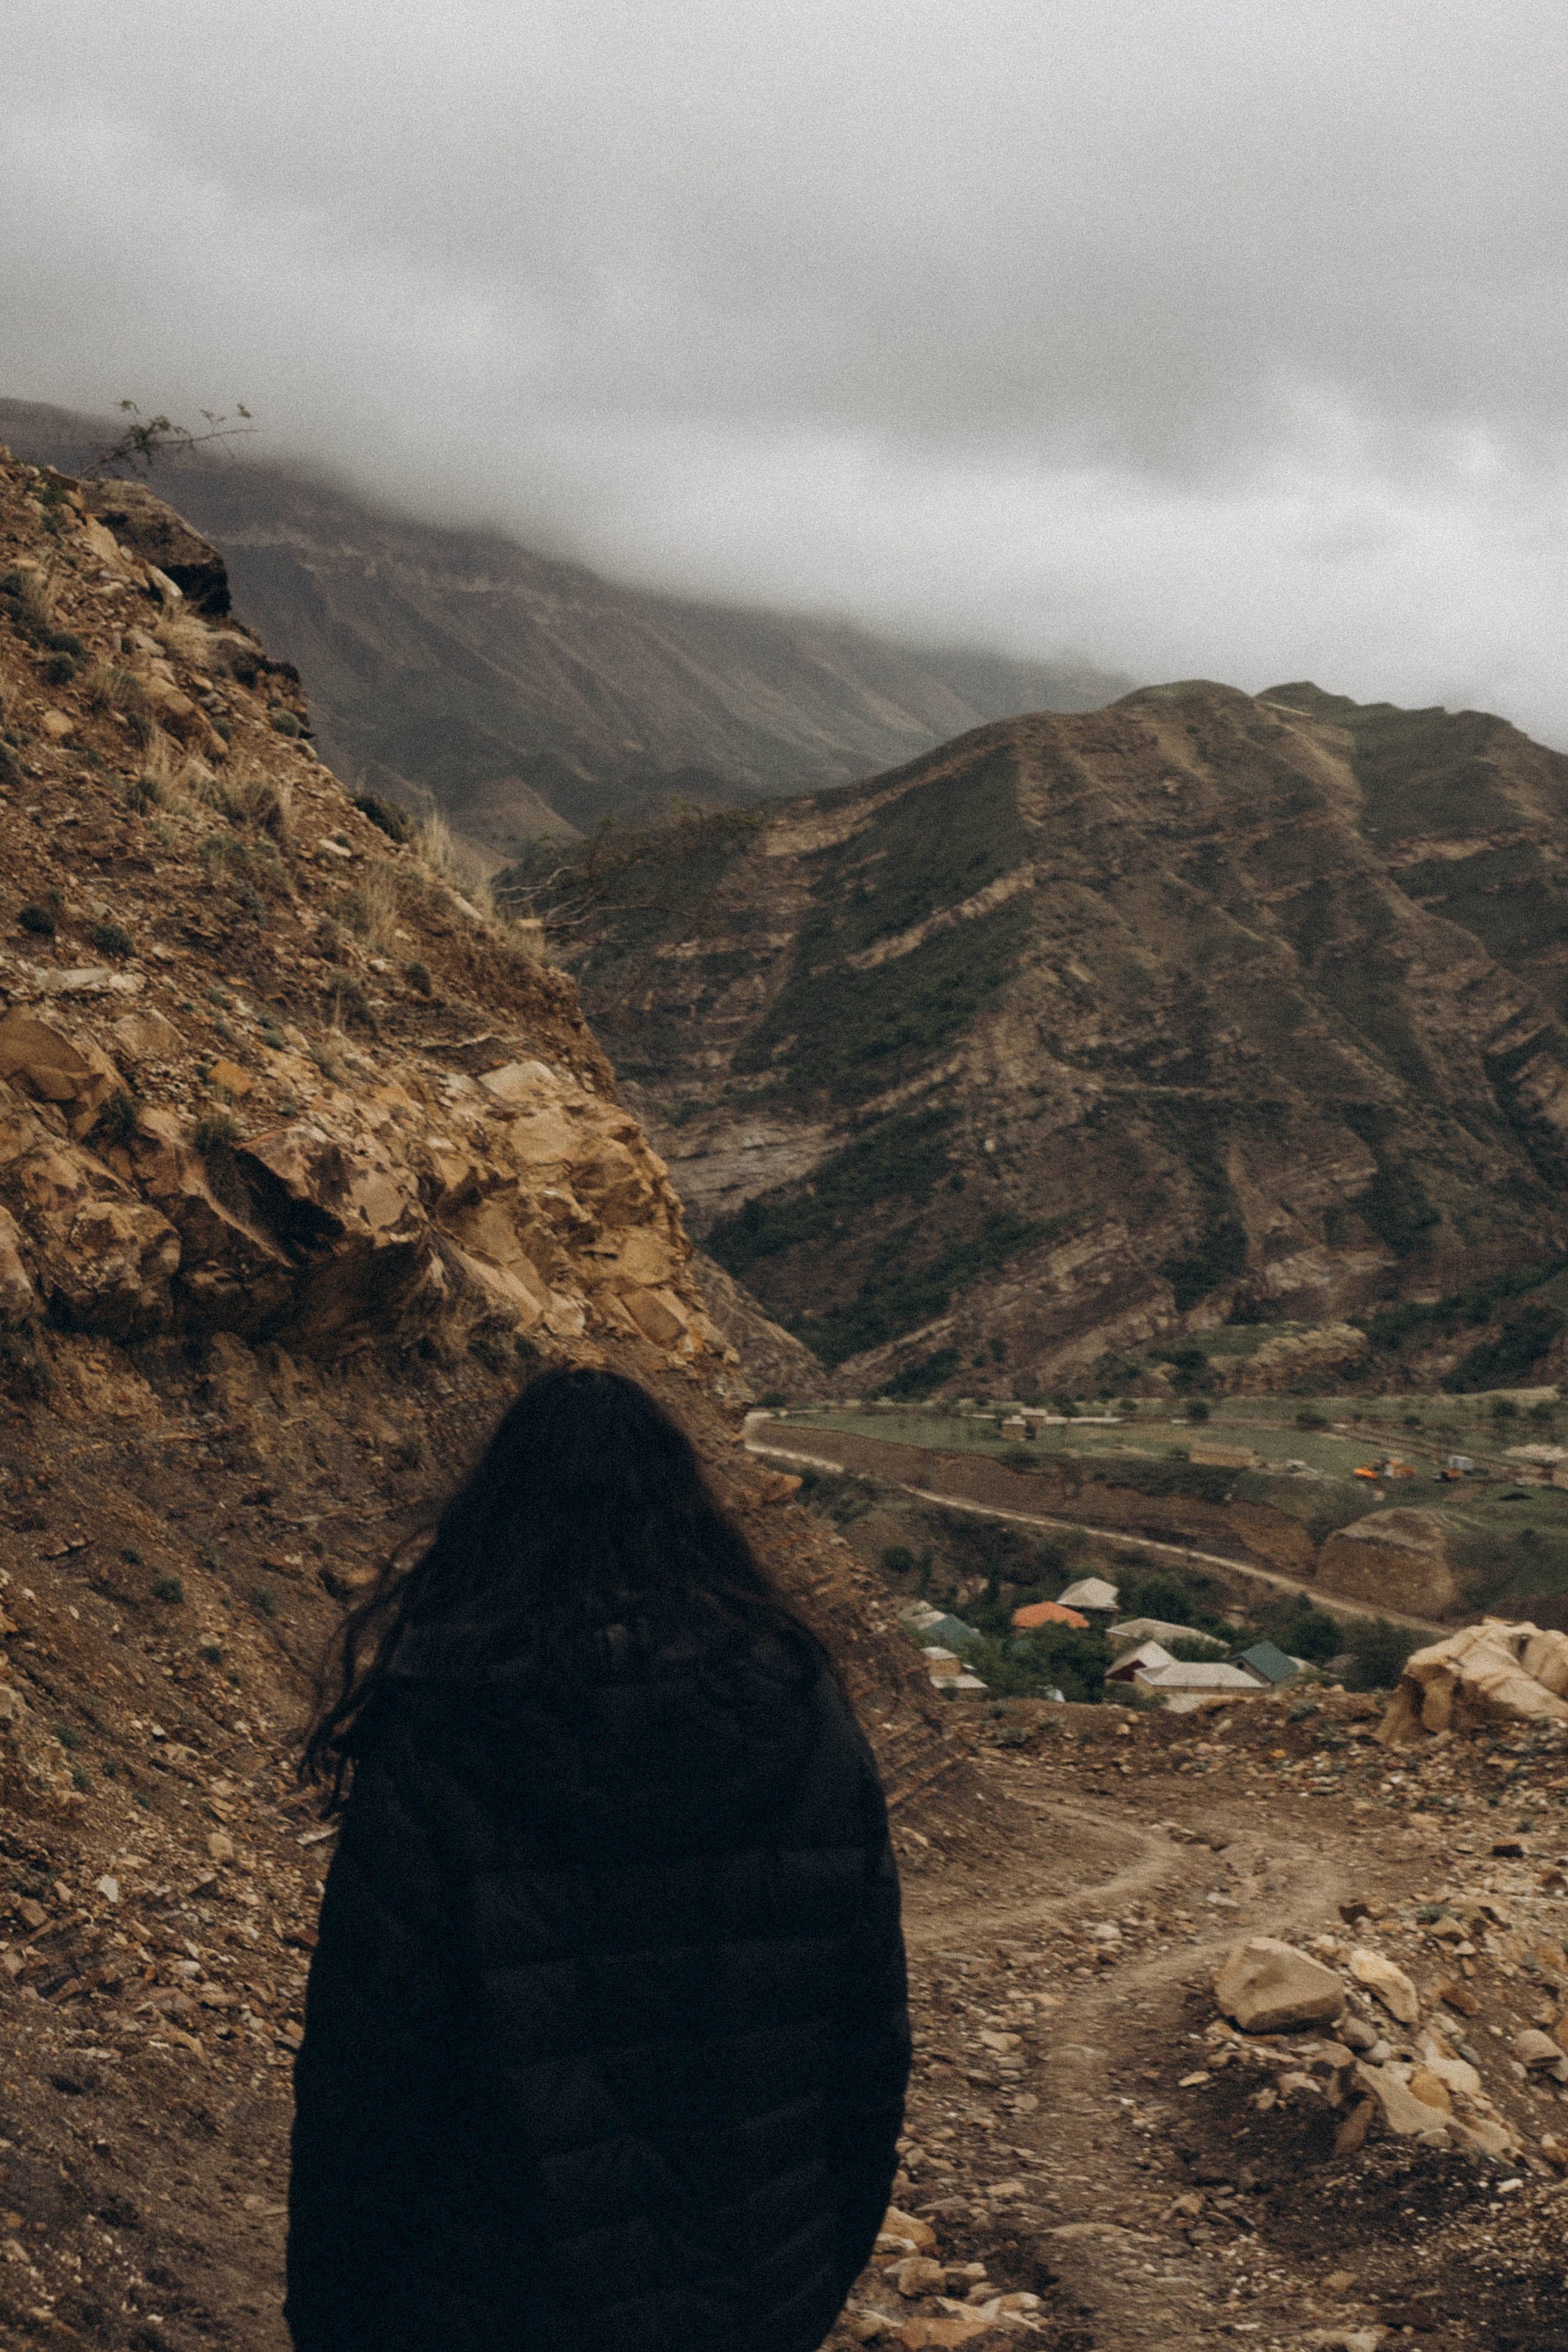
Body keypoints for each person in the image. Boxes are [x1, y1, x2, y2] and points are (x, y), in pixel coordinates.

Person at [285, 1364, 910, 2352]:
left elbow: (368, 2071)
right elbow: (868, 2038)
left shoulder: (441, 1718)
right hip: (749, 2291)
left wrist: (332, 2313)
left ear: (496, 1514)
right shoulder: (800, 1708)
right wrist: (815, 2274)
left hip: (493, 2296)